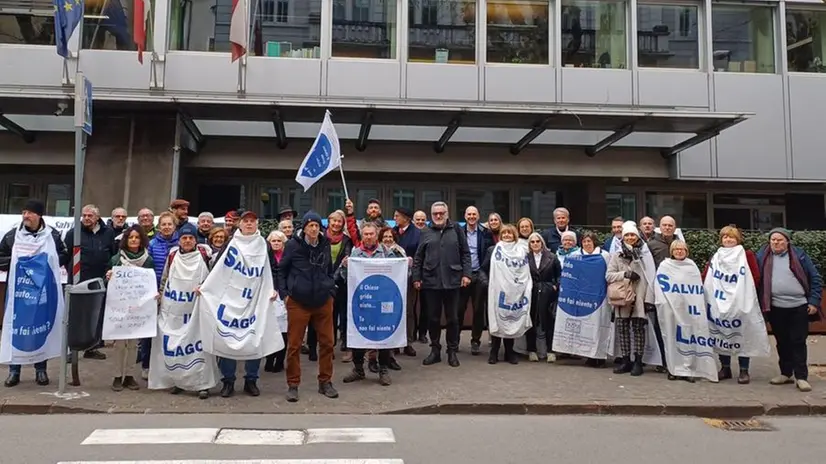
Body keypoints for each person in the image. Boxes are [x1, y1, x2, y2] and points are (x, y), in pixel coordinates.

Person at [1, 199, 69, 387]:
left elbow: (64, 254)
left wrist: (46, 264)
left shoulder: (52, 235)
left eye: (30, 213)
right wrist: (18, 264)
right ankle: (14, 371)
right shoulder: (12, 235)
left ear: (39, 215)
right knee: (18, 329)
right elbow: (1, 256)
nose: (26, 216)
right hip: (18, 293)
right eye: (23, 212)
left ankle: (41, 370)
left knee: (40, 326)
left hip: (42, 292)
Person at [277, 211, 339, 403]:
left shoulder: (325, 244)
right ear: (304, 227)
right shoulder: (293, 246)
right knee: (294, 345)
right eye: (310, 225)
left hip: (322, 299)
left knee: (328, 343)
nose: (314, 229)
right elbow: (282, 270)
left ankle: (325, 382)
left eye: (316, 225)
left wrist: (330, 288)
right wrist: (285, 294)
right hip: (298, 300)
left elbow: (329, 268)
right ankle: (293, 384)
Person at [213, 212, 274, 398]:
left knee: (254, 338)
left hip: (255, 299)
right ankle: (228, 381)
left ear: (257, 224)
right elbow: (218, 268)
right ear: (240, 224)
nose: (249, 224)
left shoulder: (264, 245)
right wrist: (207, 287)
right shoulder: (231, 244)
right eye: (245, 221)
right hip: (232, 299)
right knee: (228, 338)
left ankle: (251, 380)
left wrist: (275, 288)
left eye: (252, 221)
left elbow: (274, 268)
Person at [341, 223, 406, 386]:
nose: (368, 236)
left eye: (371, 234)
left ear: (377, 235)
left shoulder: (387, 253)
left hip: (382, 302)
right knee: (359, 335)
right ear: (362, 236)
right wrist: (344, 267)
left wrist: (407, 265)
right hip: (362, 302)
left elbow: (401, 273)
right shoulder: (355, 254)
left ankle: (383, 369)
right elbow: (344, 278)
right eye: (366, 234)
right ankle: (358, 369)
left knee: (383, 336)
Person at [757, 228, 822, 392]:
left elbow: (815, 278)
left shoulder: (799, 256)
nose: (776, 243)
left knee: (798, 341)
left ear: (787, 242)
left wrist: (813, 302)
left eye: (779, 240)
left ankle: (801, 377)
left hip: (799, 306)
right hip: (776, 307)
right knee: (782, 341)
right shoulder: (763, 256)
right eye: (773, 240)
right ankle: (785, 373)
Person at [412, 202, 472, 367]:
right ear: (431, 215)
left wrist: (467, 274)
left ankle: (452, 351)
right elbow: (418, 257)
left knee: (453, 318)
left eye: (441, 213)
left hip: (453, 281)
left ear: (447, 213)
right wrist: (416, 278)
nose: (438, 216)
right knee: (433, 318)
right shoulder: (425, 231)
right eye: (435, 213)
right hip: (431, 282)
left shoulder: (457, 230)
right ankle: (435, 350)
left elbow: (466, 253)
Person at [702, 225, 760, 385]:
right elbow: (709, 274)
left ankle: (744, 370)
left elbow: (754, 276)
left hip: (740, 302)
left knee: (741, 334)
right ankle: (725, 367)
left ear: (738, 239)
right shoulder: (717, 255)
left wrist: (741, 295)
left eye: (731, 237)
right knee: (721, 333)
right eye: (725, 237)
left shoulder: (746, 255)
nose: (728, 239)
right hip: (719, 302)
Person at [105, 225, 155, 392]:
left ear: (142, 240)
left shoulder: (148, 260)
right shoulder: (116, 259)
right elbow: (108, 283)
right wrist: (108, 277)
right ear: (126, 240)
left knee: (133, 344)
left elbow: (150, 283)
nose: (134, 240)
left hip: (138, 309)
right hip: (120, 308)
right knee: (119, 344)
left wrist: (153, 295)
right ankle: (117, 376)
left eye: (137, 237)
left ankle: (129, 375)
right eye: (131, 237)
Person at [65, 204, 117, 361]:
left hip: (99, 280)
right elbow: (66, 255)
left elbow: (113, 254)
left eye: (90, 216)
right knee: (74, 314)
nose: (86, 218)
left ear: (97, 217)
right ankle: (70, 349)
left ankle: (92, 347)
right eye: (84, 215)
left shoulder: (108, 233)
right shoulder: (74, 233)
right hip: (78, 279)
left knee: (97, 314)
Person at [606, 221, 656, 376]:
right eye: (627, 235)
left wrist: (649, 299)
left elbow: (651, 277)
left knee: (638, 329)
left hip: (639, 296)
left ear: (637, 236)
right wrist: (625, 274)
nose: (629, 237)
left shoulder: (644, 253)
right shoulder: (617, 254)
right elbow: (608, 275)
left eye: (632, 235)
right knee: (623, 330)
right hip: (622, 297)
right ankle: (626, 360)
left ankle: (638, 361)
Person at [479, 225, 529, 364]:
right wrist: (486, 282)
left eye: (510, 233)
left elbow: (525, 270)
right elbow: (483, 269)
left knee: (511, 319)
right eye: (504, 233)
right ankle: (494, 351)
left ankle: (509, 352)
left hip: (514, 291)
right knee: (497, 320)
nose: (507, 235)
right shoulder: (493, 250)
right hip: (497, 291)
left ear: (514, 235)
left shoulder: (521, 251)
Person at [142, 211, 180, 378]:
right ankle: (146, 365)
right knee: (149, 331)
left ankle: (169, 364)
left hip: (175, 294)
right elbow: (146, 267)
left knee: (171, 330)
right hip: (154, 292)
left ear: (174, 226)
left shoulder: (182, 243)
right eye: (163, 224)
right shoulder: (152, 244)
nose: (166, 227)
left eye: (169, 224)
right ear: (159, 227)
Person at [459, 206, 494, 356]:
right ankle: (454, 340)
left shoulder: (485, 233)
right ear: (465, 216)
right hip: (462, 275)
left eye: (474, 214)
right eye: (469, 214)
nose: (472, 217)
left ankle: (475, 341)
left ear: (478, 216)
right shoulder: (458, 231)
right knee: (458, 309)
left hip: (479, 274)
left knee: (478, 309)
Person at [574, 230, 611, 368]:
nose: (587, 244)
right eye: (584, 241)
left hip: (600, 296)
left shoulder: (605, 256)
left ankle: (600, 356)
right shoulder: (576, 255)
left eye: (589, 241)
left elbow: (609, 273)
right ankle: (589, 355)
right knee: (586, 327)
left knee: (600, 326)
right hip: (584, 297)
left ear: (594, 241)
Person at [662, 240, 696, 383]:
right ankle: (673, 369)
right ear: (672, 251)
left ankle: (687, 369)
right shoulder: (665, 266)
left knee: (688, 339)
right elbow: (660, 286)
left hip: (687, 310)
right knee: (671, 339)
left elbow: (697, 289)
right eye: (676, 249)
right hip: (671, 309)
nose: (679, 251)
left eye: (682, 249)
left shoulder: (692, 266)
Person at [525, 232, 560, 363]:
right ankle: (532, 350)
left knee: (548, 322)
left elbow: (559, 275)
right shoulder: (525, 258)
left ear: (542, 243)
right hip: (532, 292)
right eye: (532, 242)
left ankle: (551, 351)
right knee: (531, 320)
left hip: (548, 292)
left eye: (537, 241)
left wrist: (555, 286)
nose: (535, 244)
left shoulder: (552, 257)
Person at [393, 207, 421, 356]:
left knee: (409, 310)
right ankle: (395, 342)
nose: (395, 217)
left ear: (406, 218)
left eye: (397, 215)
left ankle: (408, 342)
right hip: (393, 278)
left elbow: (420, 255)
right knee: (395, 309)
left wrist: (417, 277)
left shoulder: (417, 234)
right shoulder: (393, 231)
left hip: (410, 278)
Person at [264, 230, 290, 373]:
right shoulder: (265, 257)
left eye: (279, 241)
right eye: (273, 241)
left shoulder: (288, 256)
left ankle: (280, 360)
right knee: (270, 329)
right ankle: (269, 358)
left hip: (284, 295)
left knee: (284, 331)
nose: (276, 243)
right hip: (270, 295)